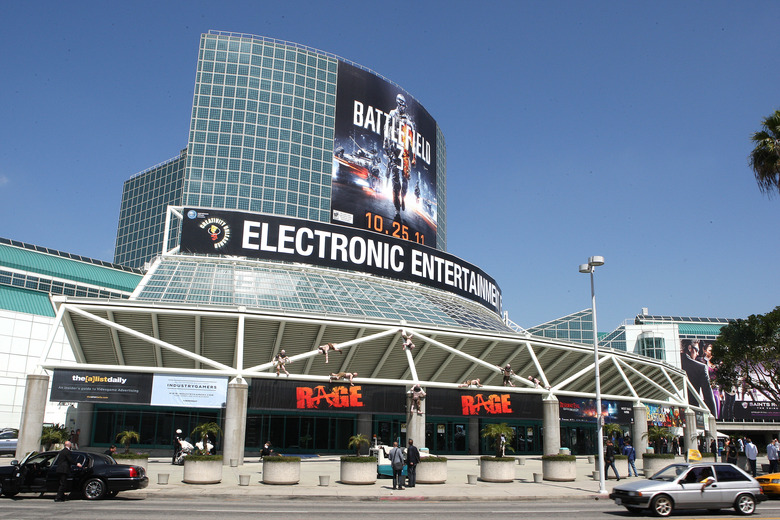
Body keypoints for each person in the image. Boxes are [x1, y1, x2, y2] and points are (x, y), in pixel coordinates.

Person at [383, 93, 416, 216]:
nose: (403, 107)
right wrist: (387, 148)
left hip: (405, 155)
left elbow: (412, 140)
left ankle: (403, 198)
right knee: (395, 182)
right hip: (395, 153)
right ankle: (396, 207)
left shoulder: (407, 120)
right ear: (398, 104)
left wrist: (414, 157)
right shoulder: (392, 114)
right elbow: (386, 130)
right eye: (401, 105)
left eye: (404, 105)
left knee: (406, 182)